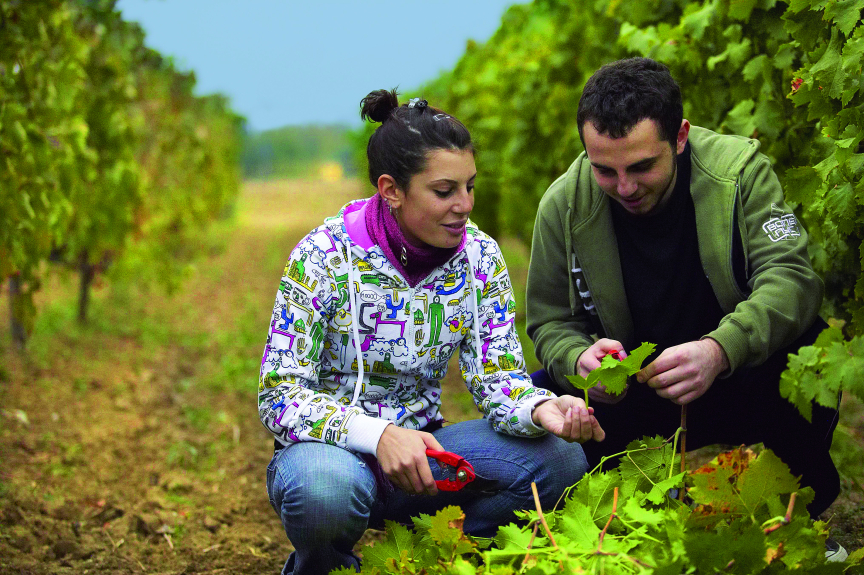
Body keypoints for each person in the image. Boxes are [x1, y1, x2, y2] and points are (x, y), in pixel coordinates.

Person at [259, 89, 604, 575]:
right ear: (391, 190)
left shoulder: (479, 257)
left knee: (560, 461)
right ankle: (324, 568)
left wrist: (541, 408)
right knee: (322, 492)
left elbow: (496, 375)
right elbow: (280, 394)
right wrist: (379, 436)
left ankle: (440, 560)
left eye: (470, 187)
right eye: (445, 191)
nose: (464, 205)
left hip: (425, 460)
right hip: (330, 455)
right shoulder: (323, 256)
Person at [526, 58, 841, 523]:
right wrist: (579, 360)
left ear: (680, 136)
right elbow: (551, 320)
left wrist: (719, 350)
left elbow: (791, 280)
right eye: (605, 171)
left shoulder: (739, 174)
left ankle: (800, 498)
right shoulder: (563, 204)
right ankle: (622, 507)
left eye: (641, 166)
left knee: (809, 350)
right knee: (544, 397)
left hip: (737, 376)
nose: (625, 187)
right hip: (634, 393)